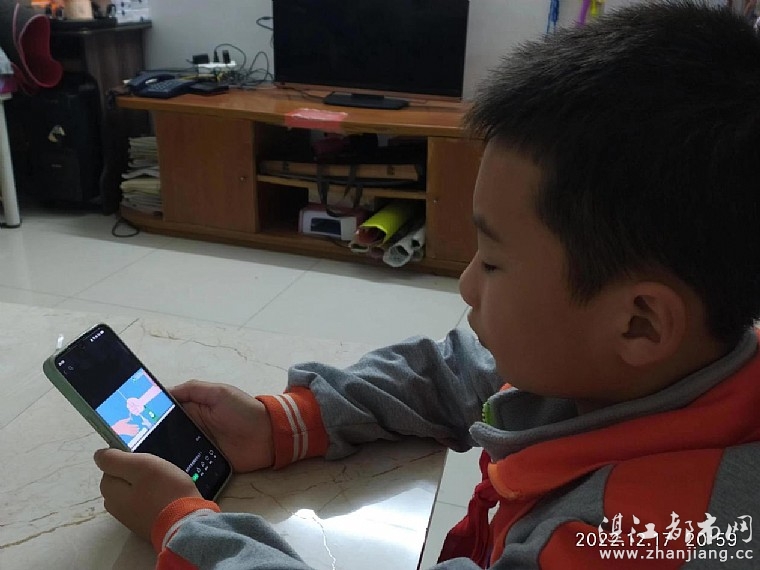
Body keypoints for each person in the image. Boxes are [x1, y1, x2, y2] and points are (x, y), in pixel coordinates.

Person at [93, 2, 760, 568]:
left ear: (641, 323)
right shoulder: (641, 363)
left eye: (492, 262)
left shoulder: (630, 541)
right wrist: (282, 423)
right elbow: (456, 371)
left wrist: (184, 529)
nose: (466, 284)